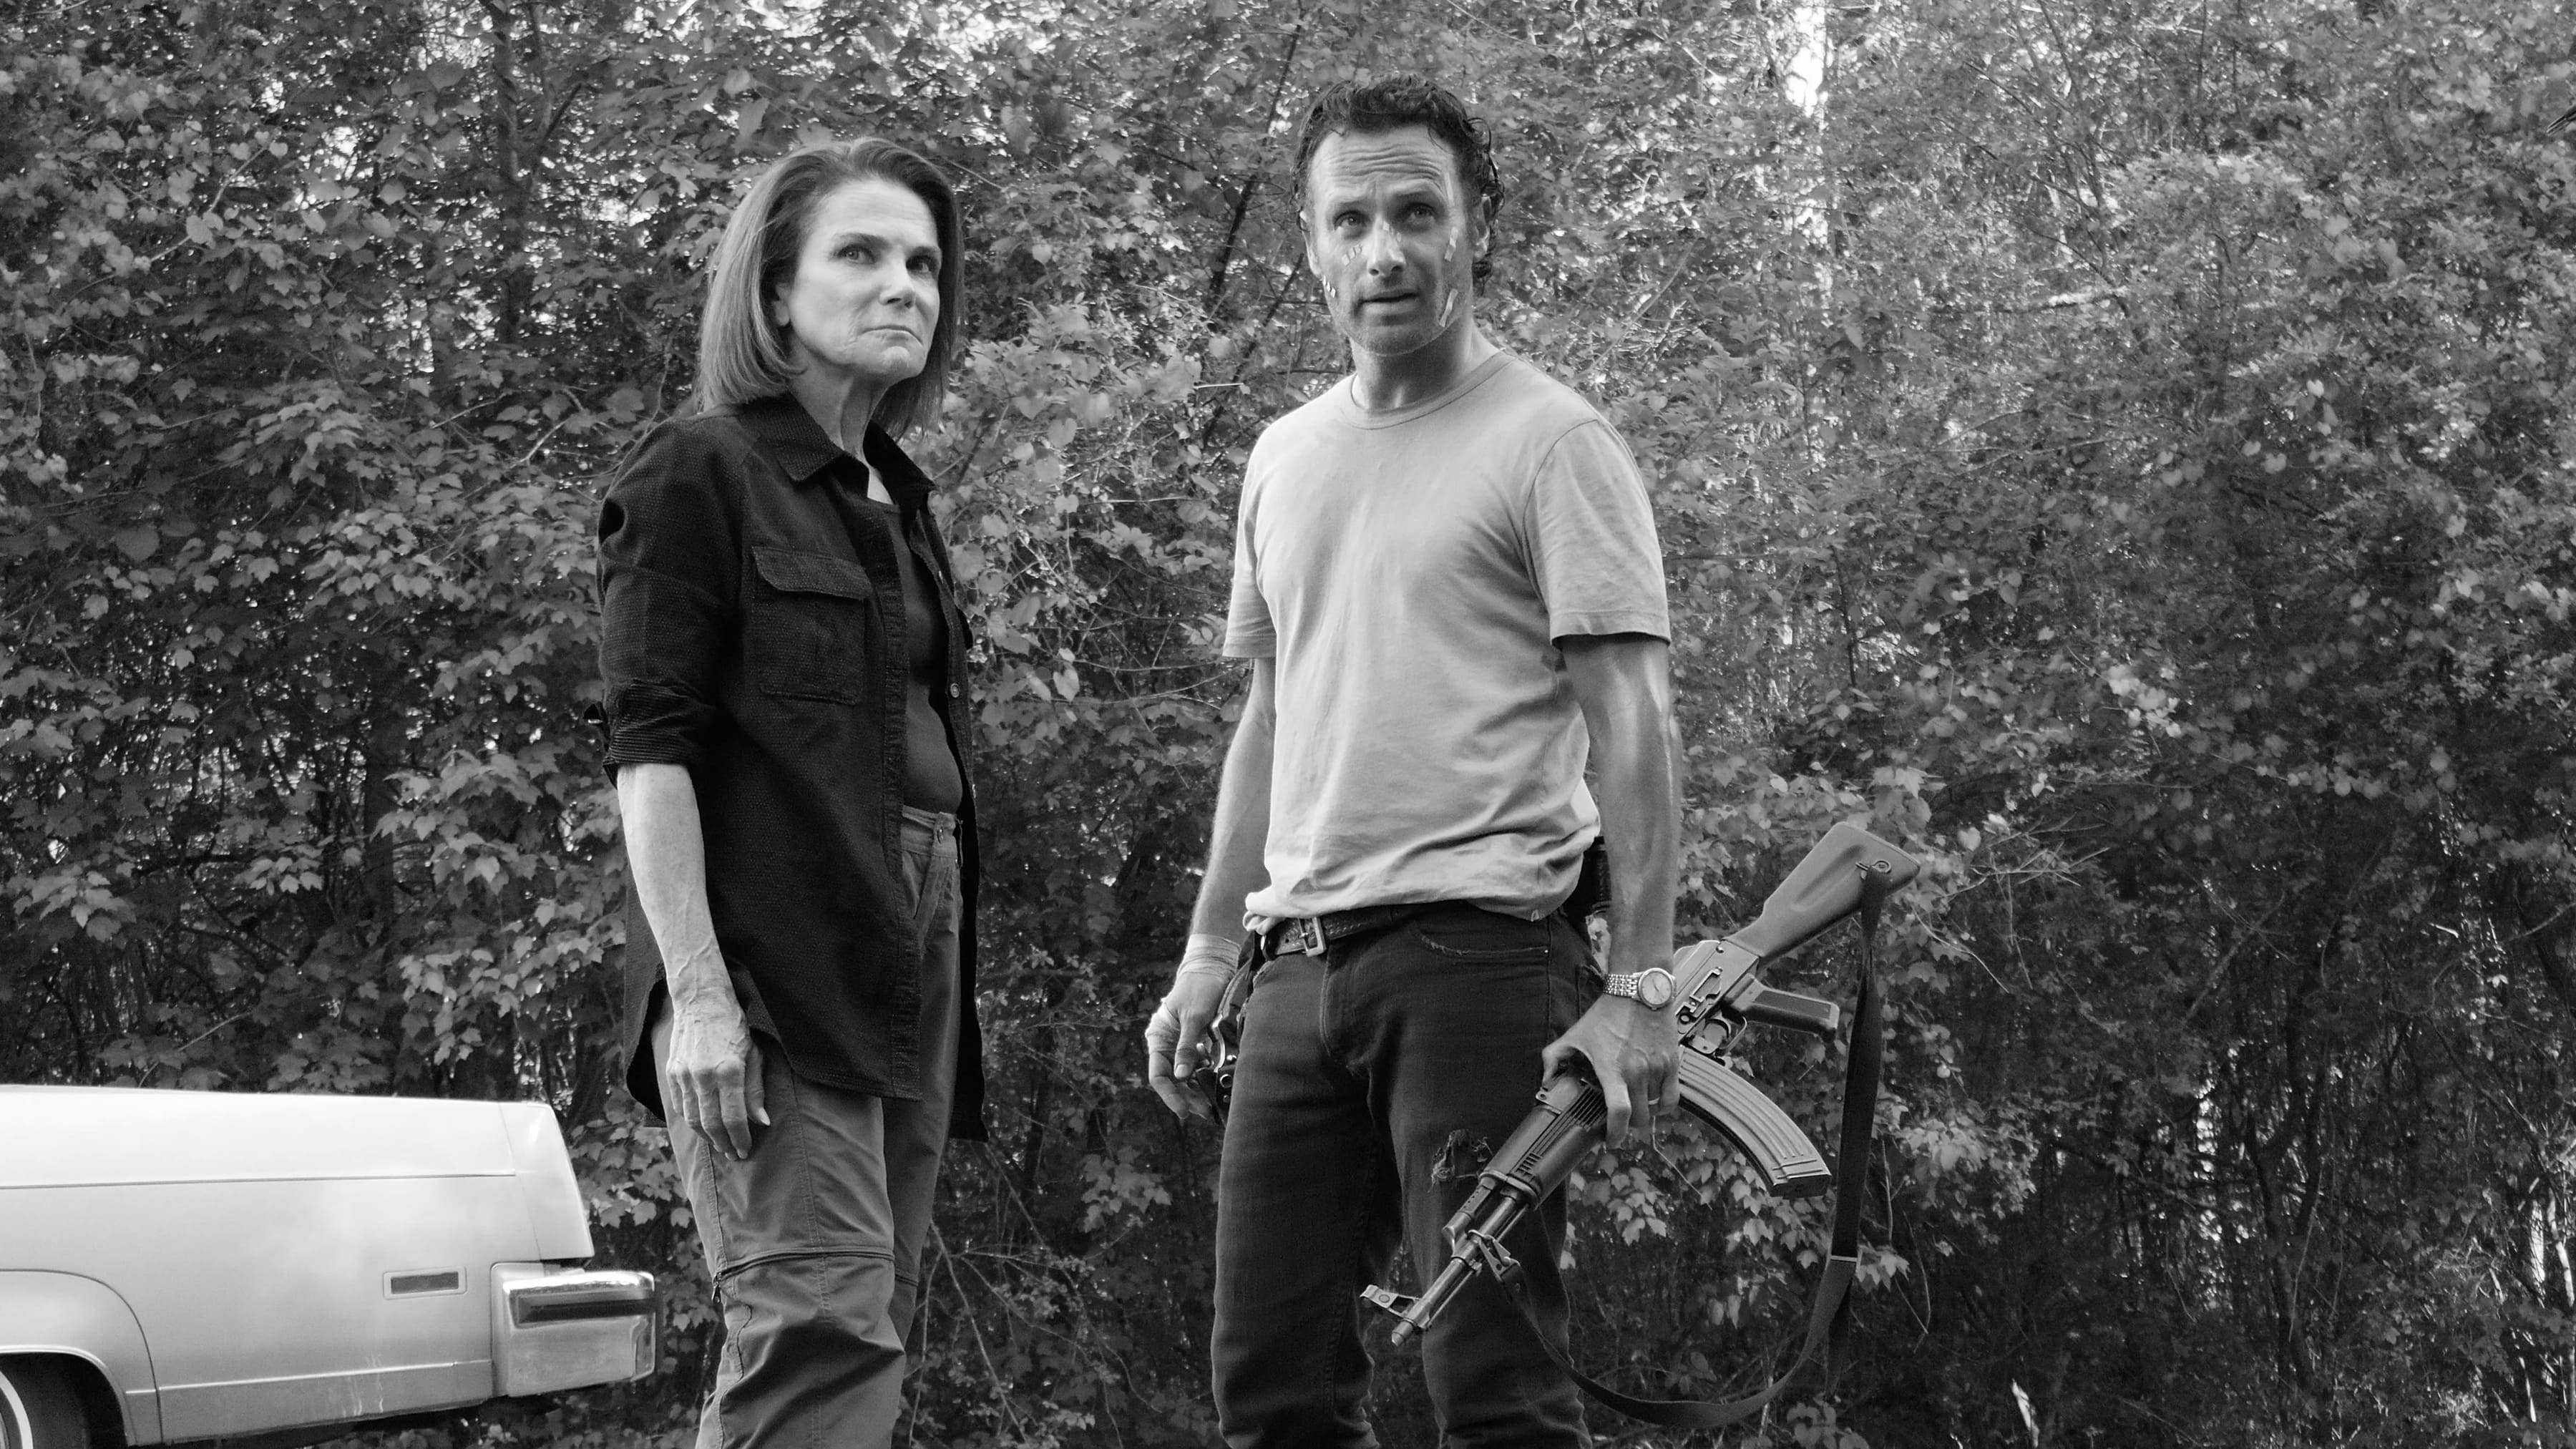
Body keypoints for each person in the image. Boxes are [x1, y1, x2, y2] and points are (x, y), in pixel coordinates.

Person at [1144, 75, 1684, 1448]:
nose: (1383, 250)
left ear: (1475, 228)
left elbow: (1633, 721)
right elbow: (1273, 717)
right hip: (1294, 973)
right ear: (1312, 245)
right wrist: (1208, 951)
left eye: (1416, 213)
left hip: (1482, 965)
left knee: (1494, 1393)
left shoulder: (1552, 442)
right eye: (1351, 220)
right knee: (1271, 1393)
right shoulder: (1283, 456)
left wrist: (1642, 987)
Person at [593, 137, 984, 1448]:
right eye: (860, 254)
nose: (904, 285)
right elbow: (651, 751)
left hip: (915, 935)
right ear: (773, 291)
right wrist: (700, 994)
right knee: (817, 1325)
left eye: (923, 262)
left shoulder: (900, 503)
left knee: (872, 1319)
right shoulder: (697, 470)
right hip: (773, 958)